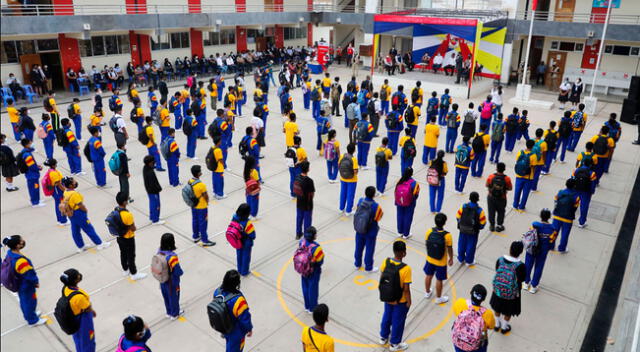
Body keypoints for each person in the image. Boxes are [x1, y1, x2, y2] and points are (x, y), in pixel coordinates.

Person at [2, 235, 47, 326]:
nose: (23, 241)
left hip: (20, 284)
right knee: (29, 302)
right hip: (25, 285)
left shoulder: (10, 253)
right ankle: (32, 320)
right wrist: (35, 282)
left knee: (25, 301)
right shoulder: (20, 261)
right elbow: (29, 274)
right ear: (17, 245)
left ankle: (30, 315)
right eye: (21, 241)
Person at [379, 240, 412, 351]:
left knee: (387, 316)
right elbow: (406, 289)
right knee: (398, 321)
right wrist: (409, 301)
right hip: (400, 300)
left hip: (387, 296)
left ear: (393, 251)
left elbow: (382, 279)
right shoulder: (406, 269)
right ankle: (395, 343)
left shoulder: (386, 262)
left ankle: (383, 337)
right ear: (404, 253)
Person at [490, 241, 526, 334]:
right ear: (521, 252)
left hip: (497, 291)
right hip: (511, 295)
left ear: (510, 249)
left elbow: (497, 270)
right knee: (508, 312)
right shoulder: (520, 266)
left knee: (497, 308)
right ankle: (504, 327)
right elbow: (522, 279)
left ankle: (497, 325)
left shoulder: (500, 260)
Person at [213, 269, 253, 351]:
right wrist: (249, 328)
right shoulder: (239, 300)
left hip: (223, 326)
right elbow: (244, 318)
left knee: (229, 343)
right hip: (235, 331)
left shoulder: (217, 292)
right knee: (235, 348)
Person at [59, 268, 97, 352]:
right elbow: (87, 308)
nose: (80, 275)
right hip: (83, 319)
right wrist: (93, 311)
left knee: (78, 339)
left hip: (73, 317)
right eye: (78, 275)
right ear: (74, 280)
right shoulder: (79, 297)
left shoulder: (65, 288)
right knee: (88, 340)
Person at [113, 192, 147, 281]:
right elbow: (133, 228)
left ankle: (125, 270)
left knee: (123, 253)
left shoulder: (115, 210)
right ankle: (134, 273)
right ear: (124, 202)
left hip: (119, 237)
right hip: (128, 238)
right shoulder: (128, 215)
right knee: (131, 256)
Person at [452, 284, 495, 352]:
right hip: (476, 344)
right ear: (483, 299)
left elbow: (456, 313)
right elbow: (491, 326)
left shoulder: (460, 302)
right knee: (484, 337)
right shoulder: (487, 314)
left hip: (459, 341)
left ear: (470, 292)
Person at [523, 209, 557, 294]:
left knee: (528, 264)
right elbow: (552, 241)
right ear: (549, 217)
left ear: (540, 216)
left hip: (532, 248)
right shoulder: (552, 229)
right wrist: (550, 248)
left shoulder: (534, 225)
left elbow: (529, 234)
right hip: (543, 250)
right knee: (539, 267)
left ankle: (526, 283)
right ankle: (534, 286)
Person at [424, 213, 454, 304]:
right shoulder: (447, 235)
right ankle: (438, 298)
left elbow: (427, 244)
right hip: (441, 262)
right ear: (444, 223)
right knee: (439, 279)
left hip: (430, 258)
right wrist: (451, 258)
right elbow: (449, 248)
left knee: (429, 275)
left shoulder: (429, 231)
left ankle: (427, 292)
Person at [354, 186, 384, 272]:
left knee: (358, 247)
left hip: (359, 229)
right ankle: (368, 267)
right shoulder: (376, 206)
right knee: (369, 249)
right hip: (370, 231)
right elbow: (379, 217)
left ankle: (357, 263)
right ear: (374, 195)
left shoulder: (360, 201)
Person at [298, 226, 325, 313]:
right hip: (313, 271)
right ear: (314, 236)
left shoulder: (301, 242)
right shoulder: (316, 248)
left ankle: (307, 306)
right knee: (313, 289)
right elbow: (320, 261)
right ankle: (312, 308)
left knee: (305, 287)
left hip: (303, 269)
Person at [188, 165, 216, 246]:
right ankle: (205, 240)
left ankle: (196, 236)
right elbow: (205, 196)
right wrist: (207, 202)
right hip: (201, 206)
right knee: (203, 223)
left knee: (195, 220)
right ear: (198, 173)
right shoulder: (201, 185)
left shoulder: (190, 181)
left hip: (193, 205)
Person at [456, 192, 486, 265]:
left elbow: (457, 216)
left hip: (463, 230)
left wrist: (462, 224)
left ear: (469, 198)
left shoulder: (463, 206)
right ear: (477, 199)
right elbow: (483, 223)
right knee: (471, 246)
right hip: (473, 232)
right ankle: (469, 261)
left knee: (461, 244)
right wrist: (478, 227)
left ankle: (461, 259)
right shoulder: (480, 210)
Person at [552, 178, 580, 253]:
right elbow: (575, 207)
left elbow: (555, 201)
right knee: (565, 234)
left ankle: (551, 246)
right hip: (568, 218)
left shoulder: (560, 193)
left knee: (554, 232)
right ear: (574, 186)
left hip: (557, 216)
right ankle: (562, 248)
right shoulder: (576, 197)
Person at [485, 162, 512, 232]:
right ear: (504, 169)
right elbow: (510, 188)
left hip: (491, 197)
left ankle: (492, 225)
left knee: (491, 211)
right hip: (502, 198)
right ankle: (499, 225)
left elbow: (487, 185)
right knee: (501, 212)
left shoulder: (491, 177)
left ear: (496, 168)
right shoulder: (507, 178)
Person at [395, 167, 420, 239]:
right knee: (408, 217)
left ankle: (400, 231)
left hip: (399, 201)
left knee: (400, 215)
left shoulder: (400, 181)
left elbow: (396, 191)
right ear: (411, 174)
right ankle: (406, 234)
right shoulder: (414, 183)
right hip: (409, 203)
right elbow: (416, 194)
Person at [232, 203, 256, 276]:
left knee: (239, 255)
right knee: (246, 257)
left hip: (237, 240)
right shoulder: (247, 223)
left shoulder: (234, 218)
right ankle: (245, 271)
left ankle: (239, 269)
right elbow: (252, 235)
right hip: (246, 242)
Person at [19, 138, 45, 207]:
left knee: (34, 187)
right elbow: (31, 166)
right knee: (34, 188)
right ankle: (35, 202)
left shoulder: (25, 152)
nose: (31, 144)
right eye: (30, 143)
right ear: (26, 145)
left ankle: (36, 199)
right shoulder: (27, 155)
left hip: (30, 174)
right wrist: (38, 168)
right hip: (32, 174)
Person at [513, 140, 537, 211]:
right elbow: (534, 166)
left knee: (517, 190)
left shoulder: (520, 152)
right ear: (532, 146)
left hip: (519, 175)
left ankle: (515, 204)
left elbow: (517, 161)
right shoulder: (533, 155)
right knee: (525, 192)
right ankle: (522, 206)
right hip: (528, 177)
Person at [572, 157, 597, 228]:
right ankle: (581, 222)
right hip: (586, 192)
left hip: (576, 189)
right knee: (584, 206)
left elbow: (572, 179)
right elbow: (593, 184)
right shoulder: (592, 173)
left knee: (573, 203)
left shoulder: (576, 170)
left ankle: (570, 216)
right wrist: (592, 192)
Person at [295, 161, 315, 240]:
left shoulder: (297, 177)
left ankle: (298, 233)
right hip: (307, 203)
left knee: (299, 218)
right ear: (308, 169)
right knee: (307, 220)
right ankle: (307, 236)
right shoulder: (309, 181)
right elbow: (312, 193)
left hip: (299, 202)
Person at [338, 143, 359, 216]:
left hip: (343, 178)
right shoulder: (354, 159)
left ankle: (341, 208)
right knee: (350, 194)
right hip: (352, 180)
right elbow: (355, 171)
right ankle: (348, 210)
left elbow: (339, 165)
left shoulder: (342, 156)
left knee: (343, 193)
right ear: (354, 150)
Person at [142, 155, 163, 225]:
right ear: (150, 163)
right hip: (153, 191)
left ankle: (152, 216)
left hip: (149, 191)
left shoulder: (145, 168)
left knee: (152, 204)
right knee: (156, 205)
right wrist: (158, 189)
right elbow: (153, 184)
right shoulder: (150, 173)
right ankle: (155, 220)